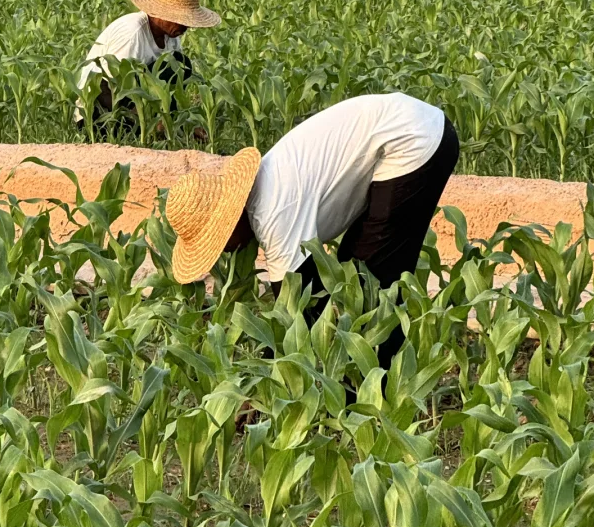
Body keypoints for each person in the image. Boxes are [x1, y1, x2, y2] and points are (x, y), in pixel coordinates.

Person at [165, 92, 459, 367]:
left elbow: (293, 311)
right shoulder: (264, 191)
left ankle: (377, 392)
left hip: (414, 142)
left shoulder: (273, 213)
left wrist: (264, 377)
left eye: (219, 242)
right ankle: (364, 381)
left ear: (229, 222)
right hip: (411, 129)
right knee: (355, 282)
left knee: (373, 285)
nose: (224, 251)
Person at [76, 0, 219, 140]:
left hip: (139, 109)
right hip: (101, 115)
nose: (186, 27)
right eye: (182, 20)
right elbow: (106, 88)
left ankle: (166, 128)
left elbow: (170, 89)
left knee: (179, 63)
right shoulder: (133, 34)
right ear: (163, 14)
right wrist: (149, 119)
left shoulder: (171, 35)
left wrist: (180, 123)